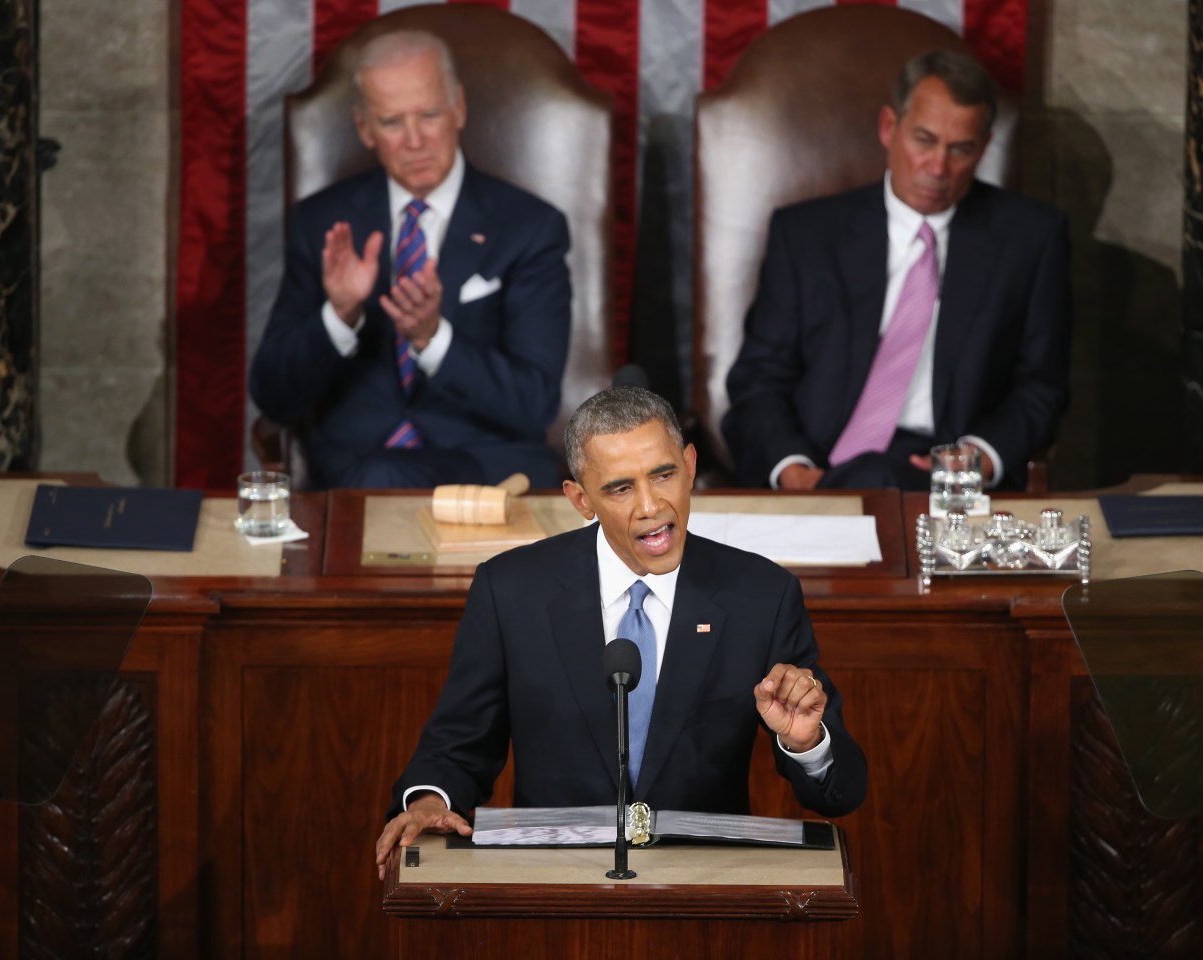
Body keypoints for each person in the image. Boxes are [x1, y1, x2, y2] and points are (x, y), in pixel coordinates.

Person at [375, 386, 868, 878]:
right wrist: (425, 802)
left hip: (705, 887)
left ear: (690, 465)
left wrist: (807, 744)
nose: (651, 505)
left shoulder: (761, 595)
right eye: (620, 488)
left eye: (663, 474)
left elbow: (841, 792)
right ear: (581, 499)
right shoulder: (510, 591)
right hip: (550, 884)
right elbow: (457, 745)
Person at [722, 49, 1072, 492]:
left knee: (883, 479)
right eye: (924, 140)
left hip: (946, 476)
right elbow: (759, 377)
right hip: (820, 466)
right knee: (868, 479)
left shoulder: (1031, 240)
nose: (938, 168)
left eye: (960, 149)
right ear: (889, 127)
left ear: (983, 149)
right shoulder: (806, 235)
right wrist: (793, 471)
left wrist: (976, 459)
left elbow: (1041, 387)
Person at [250, 31, 571, 489]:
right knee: (376, 478)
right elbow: (274, 397)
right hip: (353, 474)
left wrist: (433, 338)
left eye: (429, 115)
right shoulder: (323, 224)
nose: (415, 141)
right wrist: (339, 316)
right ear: (364, 128)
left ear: (458, 108)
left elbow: (533, 403)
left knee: (385, 477)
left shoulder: (530, 227)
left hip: (487, 471)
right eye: (392, 122)